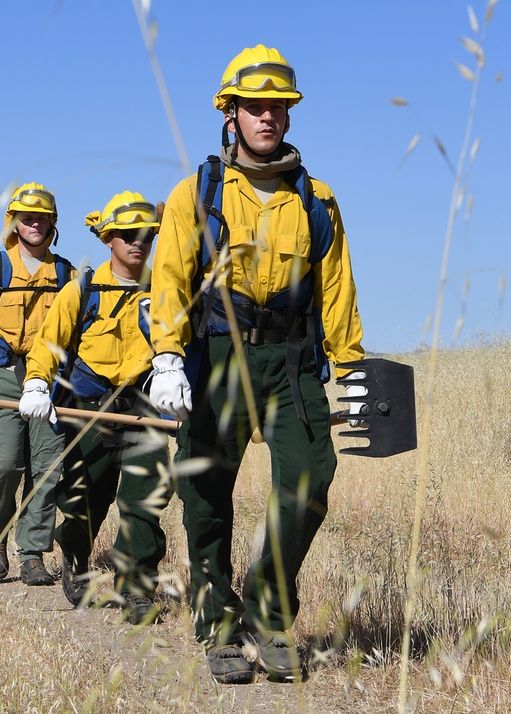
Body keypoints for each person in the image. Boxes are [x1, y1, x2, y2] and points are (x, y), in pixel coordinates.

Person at [148, 46, 365, 683]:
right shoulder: (197, 192)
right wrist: (166, 355)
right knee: (206, 492)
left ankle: (269, 613)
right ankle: (217, 624)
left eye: (278, 107)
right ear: (232, 112)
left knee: (308, 479)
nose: (266, 116)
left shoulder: (317, 200)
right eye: (254, 106)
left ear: (289, 118)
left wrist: (350, 367)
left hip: (293, 359)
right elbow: (170, 275)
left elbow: (338, 288)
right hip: (217, 351)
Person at [21, 191, 171, 624]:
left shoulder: (165, 291)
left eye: (145, 234)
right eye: (126, 234)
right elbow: (48, 344)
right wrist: (35, 382)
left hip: (143, 411)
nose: (136, 242)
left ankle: (138, 588)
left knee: (144, 501)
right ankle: (73, 546)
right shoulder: (80, 290)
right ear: (108, 238)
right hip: (89, 411)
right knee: (87, 499)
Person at [0, 182, 76, 586]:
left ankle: (32, 553)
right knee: (5, 464)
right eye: (27, 217)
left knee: (46, 468)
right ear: (15, 223)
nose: (35, 223)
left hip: (51, 380)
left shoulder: (68, 275)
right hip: (1, 377)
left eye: (42, 217)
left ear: (53, 223)